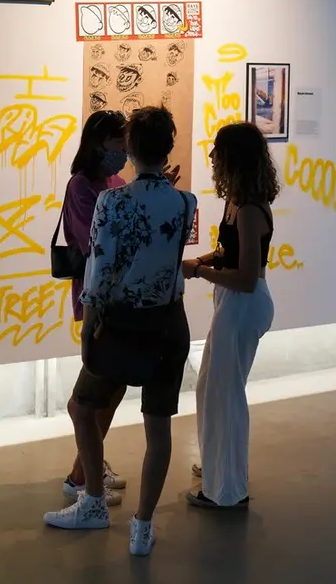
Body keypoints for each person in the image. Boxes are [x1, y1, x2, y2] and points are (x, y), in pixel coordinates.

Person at [44, 106, 197, 558]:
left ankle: (92, 501)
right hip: (170, 323)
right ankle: (142, 527)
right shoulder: (186, 202)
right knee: (158, 427)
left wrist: (90, 327)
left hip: (122, 323)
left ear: (130, 148)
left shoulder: (112, 202)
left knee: (83, 406)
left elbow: (99, 271)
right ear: (168, 147)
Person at [182, 122, 278, 509]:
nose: (211, 157)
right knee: (211, 387)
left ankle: (227, 490)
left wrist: (199, 271)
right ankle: (218, 466)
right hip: (231, 303)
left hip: (243, 305)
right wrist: (200, 262)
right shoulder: (236, 202)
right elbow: (227, 253)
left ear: (233, 158)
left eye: (217, 151)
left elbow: (246, 278)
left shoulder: (251, 211)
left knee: (226, 396)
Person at [60, 110, 130, 506]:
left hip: (121, 297)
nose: (123, 150)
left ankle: (86, 467)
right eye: (118, 142)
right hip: (98, 296)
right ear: (98, 144)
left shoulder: (117, 183)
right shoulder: (81, 185)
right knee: (92, 393)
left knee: (111, 388)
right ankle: (80, 476)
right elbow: (94, 243)